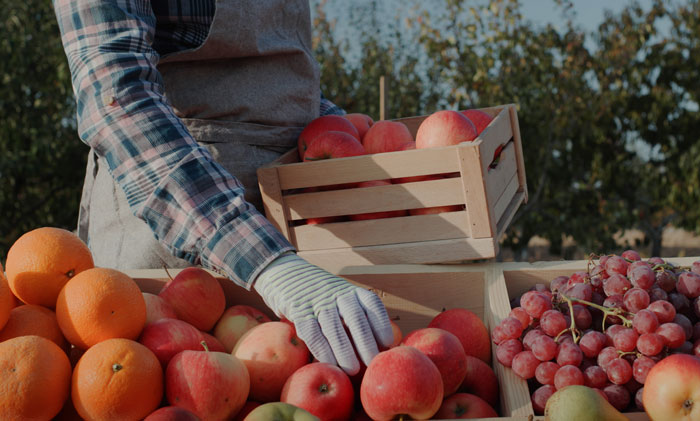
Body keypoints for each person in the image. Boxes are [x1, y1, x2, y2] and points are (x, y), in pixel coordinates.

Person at [52, 0, 393, 375]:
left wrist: (351, 137)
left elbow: (277, 74)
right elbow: (114, 95)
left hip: (296, 228)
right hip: (177, 230)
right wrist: (269, 262)